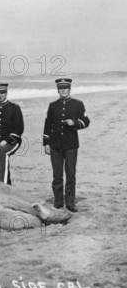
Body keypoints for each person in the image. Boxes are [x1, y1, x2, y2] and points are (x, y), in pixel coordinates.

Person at [43, 78, 90, 212]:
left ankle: (70, 203)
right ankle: (58, 203)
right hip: (55, 146)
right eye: (61, 88)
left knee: (70, 175)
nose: (63, 91)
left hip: (71, 146)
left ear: (70, 89)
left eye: (65, 88)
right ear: (58, 90)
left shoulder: (78, 104)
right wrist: (46, 143)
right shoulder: (53, 105)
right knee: (57, 176)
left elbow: (87, 121)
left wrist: (74, 123)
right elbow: (48, 124)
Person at [0, 83, 24, 185]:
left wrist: (6, 141)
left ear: (6, 93)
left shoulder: (14, 108)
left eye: (2, 92)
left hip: (13, 141)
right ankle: (8, 187)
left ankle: (1, 186)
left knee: (3, 153)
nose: (0, 95)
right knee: (1, 165)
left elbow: (19, 128)